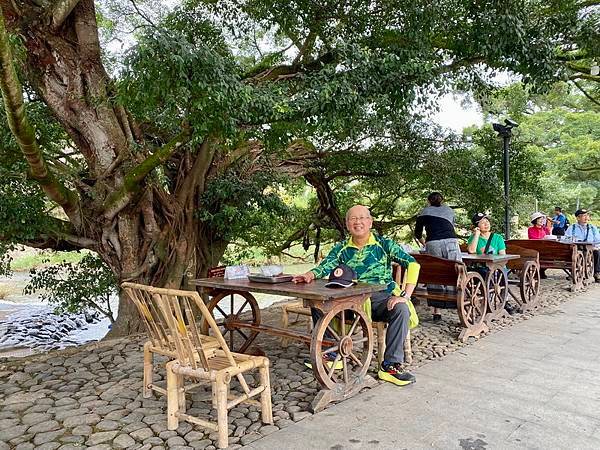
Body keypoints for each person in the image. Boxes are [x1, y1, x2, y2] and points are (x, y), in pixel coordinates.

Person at [293, 204, 420, 386]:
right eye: (353, 218)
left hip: (380, 297)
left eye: (362, 218)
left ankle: (390, 366)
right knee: (318, 302)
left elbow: (413, 265)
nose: (358, 222)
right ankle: (331, 352)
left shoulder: (385, 245)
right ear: (347, 224)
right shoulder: (342, 248)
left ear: (370, 222)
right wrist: (309, 275)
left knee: (401, 308)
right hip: (349, 299)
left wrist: (405, 295)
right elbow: (326, 266)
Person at [414, 192, 462, 322]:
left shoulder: (424, 211)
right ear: (442, 200)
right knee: (456, 271)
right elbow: (451, 226)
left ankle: (437, 311)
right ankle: (458, 305)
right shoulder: (449, 210)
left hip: (433, 243)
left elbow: (417, 232)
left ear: (428, 201)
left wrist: (424, 243)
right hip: (451, 241)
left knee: (435, 274)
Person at [466, 213, 518, 314]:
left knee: (500, 272)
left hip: (496, 267)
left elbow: (502, 256)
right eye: (482, 222)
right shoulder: (473, 238)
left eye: (487, 222)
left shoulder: (497, 238)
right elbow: (471, 251)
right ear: (477, 226)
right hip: (479, 267)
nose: (486, 224)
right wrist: (476, 234)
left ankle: (504, 300)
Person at [565, 209, 600, 282]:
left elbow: (598, 240)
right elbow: (566, 239)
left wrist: (595, 247)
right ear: (578, 218)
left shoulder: (592, 228)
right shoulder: (572, 228)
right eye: (584, 216)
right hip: (577, 249)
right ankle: (574, 273)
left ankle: (597, 273)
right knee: (570, 253)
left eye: (587, 215)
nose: (586, 218)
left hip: (590, 249)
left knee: (597, 252)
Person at [528, 212, 551, 278]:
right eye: (540, 219)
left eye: (542, 219)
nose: (542, 220)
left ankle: (541, 271)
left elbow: (549, 238)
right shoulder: (531, 229)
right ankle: (539, 271)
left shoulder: (545, 229)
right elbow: (532, 238)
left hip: (545, 249)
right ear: (535, 220)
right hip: (535, 249)